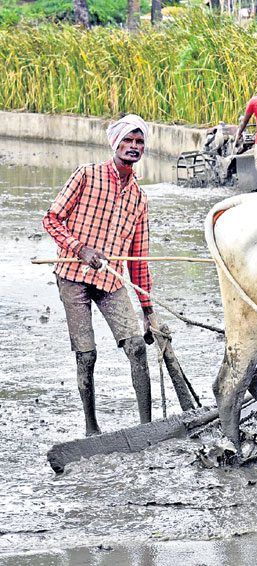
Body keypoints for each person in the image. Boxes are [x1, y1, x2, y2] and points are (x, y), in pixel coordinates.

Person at [43, 114, 155, 437]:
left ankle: (146, 428)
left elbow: (138, 261)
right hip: (73, 273)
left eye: (139, 142)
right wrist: (81, 249)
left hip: (110, 280)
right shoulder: (87, 176)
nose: (133, 147)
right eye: (128, 141)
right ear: (115, 143)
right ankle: (92, 428)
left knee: (137, 347)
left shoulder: (139, 198)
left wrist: (148, 311)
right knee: (87, 354)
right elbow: (51, 219)